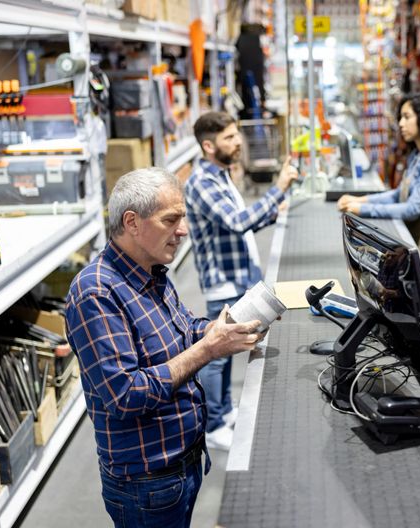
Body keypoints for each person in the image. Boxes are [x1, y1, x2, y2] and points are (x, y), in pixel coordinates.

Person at [65, 167, 264, 527]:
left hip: (183, 465)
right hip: (147, 485)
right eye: (170, 220)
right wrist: (209, 349)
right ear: (132, 222)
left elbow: (184, 331)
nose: (183, 230)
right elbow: (126, 395)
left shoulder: (152, 272)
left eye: (182, 219)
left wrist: (222, 330)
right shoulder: (95, 293)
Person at [184, 111, 299, 450]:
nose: (238, 142)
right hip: (223, 280)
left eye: (237, 135)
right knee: (216, 353)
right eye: (230, 137)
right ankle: (213, 424)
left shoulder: (220, 176)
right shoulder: (201, 182)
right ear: (209, 145)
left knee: (227, 349)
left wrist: (271, 213)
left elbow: (239, 225)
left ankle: (222, 410)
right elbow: (237, 221)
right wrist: (278, 189)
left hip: (238, 274)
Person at [336, 93, 420, 271]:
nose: (400, 123)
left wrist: (363, 209)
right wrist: (360, 200)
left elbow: (412, 209)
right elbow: (398, 194)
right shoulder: (418, 156)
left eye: (407, 117)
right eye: (400, 117)